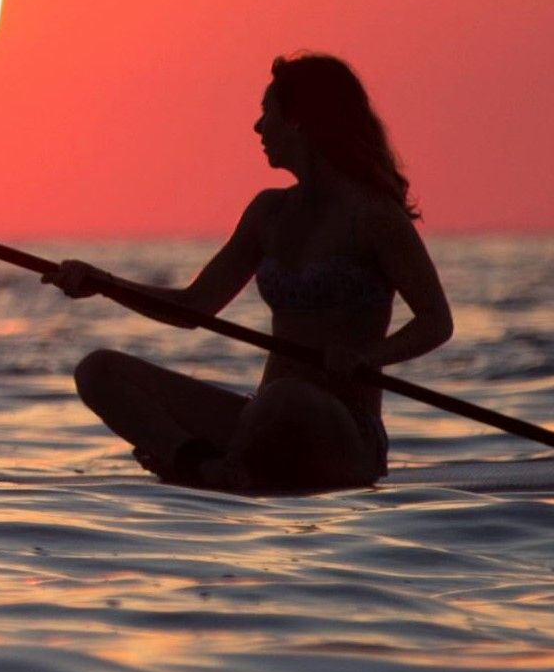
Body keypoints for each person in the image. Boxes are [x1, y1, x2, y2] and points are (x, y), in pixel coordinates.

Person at [47, 53, 452, 495]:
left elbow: (436, 321)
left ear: (299, 120)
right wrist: (104, 284)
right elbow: (193, 307)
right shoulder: (268, 213)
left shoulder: (374, 217)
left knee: (285, 397)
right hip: (261, 420)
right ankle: (198, 463)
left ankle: (220, 465)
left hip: (341, 434)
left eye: (266, 113)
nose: (258, 128)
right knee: (98, 370)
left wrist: (368, 358)